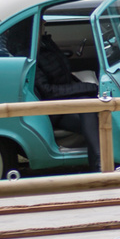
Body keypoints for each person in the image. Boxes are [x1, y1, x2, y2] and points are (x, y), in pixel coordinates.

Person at [34, 31, 101, 172]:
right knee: (90, 110)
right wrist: (89, 88)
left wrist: (86, 88)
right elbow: (48, 91)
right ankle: (99, 164)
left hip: (65, 98)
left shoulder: (44, 42)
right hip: (53, 108)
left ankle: (100, 161)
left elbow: (64, 75)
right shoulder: (30, 52)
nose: (44, 22)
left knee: (89, 104)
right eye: (41, 22)